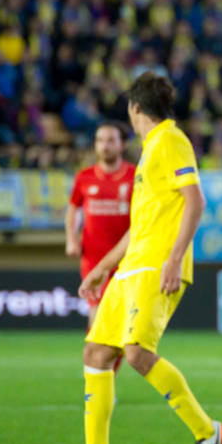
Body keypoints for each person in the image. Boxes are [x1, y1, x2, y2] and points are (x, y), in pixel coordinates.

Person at [47, 73, 222, 444]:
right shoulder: (150, 150)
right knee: (96, 353)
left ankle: (208, 433)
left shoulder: (171, 140)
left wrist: (174, 258)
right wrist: (102, 268)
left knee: (136, 353)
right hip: (130, 267)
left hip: (156, 265)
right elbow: (139, 227)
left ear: (135, 108)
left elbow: (195, 201)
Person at [65, 122, 135, 329]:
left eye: (111, 140)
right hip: (93, 256)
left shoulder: (135, 176)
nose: (105, 146)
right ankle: (94, 349)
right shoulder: (84, 176)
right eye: (100, 140)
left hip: (126, 256)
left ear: (122, 145)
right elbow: (73, 209)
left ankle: (108, 351)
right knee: (97, 310)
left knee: (125, 314)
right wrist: (71, 239)